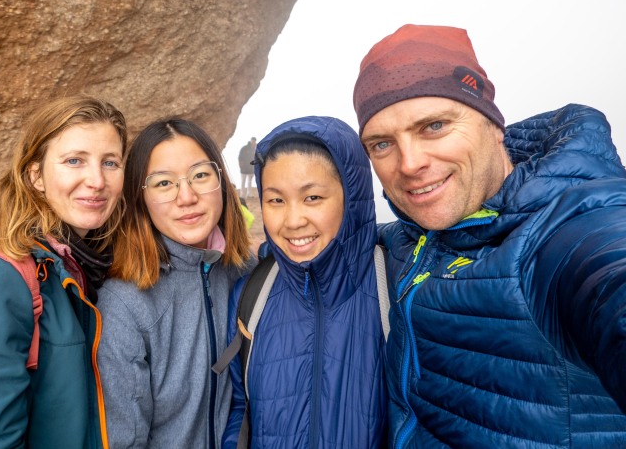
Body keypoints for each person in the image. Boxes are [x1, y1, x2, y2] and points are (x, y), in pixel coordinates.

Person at [352, 24, 626, 447]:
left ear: (492, 124)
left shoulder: (566, 232)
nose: (409, 163)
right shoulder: (414, 237)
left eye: (435, 126)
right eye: (382, 144)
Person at [0, 96, 128, 449]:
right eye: (74, 161)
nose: (96, 180)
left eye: (110, 162)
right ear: (36, 176)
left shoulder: (77, 261)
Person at [223, 116, 387, 448]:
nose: (293, 221)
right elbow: (239, 413)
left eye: (312, 198)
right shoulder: (253, 293)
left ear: (351, 196)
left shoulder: (393, 286)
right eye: (276, 200)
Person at [96, 118, 255, 449]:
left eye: (200, 175)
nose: (187, 197)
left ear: (222, 182)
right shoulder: (125, 302)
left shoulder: (249, 274)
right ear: (140, 199)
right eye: (163, 183)